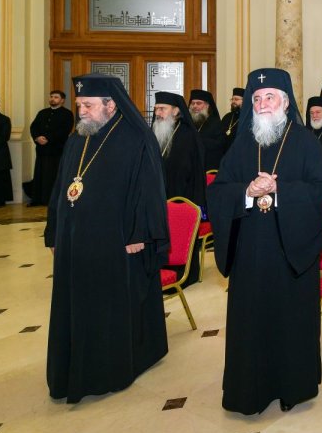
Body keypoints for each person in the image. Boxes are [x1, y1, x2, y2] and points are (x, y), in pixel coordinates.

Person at [208, 68, 322, 415]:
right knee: (251, 321)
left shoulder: (305, 141)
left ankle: (293, 386)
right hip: (250, 252)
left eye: (270, 97)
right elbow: (218, 191)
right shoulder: (243, 142)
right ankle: (250, 390)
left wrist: (280, 191)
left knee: (290, 322)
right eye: (257, 99)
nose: (263, 104)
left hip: (290, 251)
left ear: (285, 102)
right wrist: (246, 192)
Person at [45, 73, 170, 403]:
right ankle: (75, 365)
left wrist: (139, 232)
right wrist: (54, 230)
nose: (82, 111)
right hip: (76, 240)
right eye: (79, 105)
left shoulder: (135, 139)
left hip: (118, 240)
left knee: (110, 303)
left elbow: (149, 192)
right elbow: (61, 188)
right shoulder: (78, 138)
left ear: (110, 105)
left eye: (88, 105)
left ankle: (110, 367)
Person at [153, 92, 206, 207]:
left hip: (181, 195)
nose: (157, 113)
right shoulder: (154, 132)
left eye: (162, 109)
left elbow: (191, 171)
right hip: (156, 194)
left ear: (176, 111)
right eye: (156, 109)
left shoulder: (188, 135)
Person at [24, 90, 74, 206]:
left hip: (57, 150)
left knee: (54, 175)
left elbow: (65, 130)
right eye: (51, 96)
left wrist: (48, 138)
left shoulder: (67, 114)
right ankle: (38, 199)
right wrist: (37, 137)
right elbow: (34, 126)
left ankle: (53, 199)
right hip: (42, 150)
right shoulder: (42, 113)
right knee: (40, 174)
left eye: (56, 97)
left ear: (62, 100)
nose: (52, 99)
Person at [189, 88, 225, 170]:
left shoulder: (216, 123)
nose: (195, 106)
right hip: (191, 167)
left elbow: (221, 144)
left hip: (209, 166)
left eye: (198, 103)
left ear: (207, 105)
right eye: (192, 103)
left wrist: (199, 140)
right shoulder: (188, 124)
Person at [219, 87, 244, 158]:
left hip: (240, 155)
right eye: (232, 99)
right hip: (225, 155)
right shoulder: (227, 117)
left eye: (236, 99)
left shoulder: (248, 118)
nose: (233, 101)